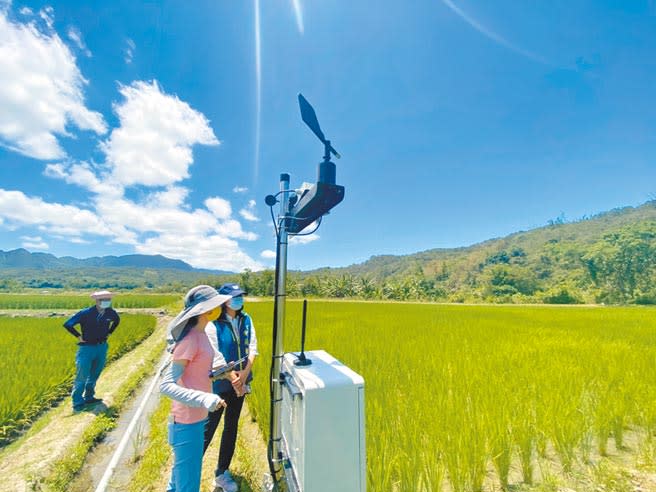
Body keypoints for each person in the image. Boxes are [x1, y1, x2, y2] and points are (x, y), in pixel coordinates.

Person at [160, 285, 232, 492]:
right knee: (188, 486)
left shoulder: (202, 335)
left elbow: (195, 373)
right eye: (217, 304)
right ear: (206, 310)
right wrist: (205, 398)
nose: (221, 307)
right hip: (186, 421)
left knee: (178, 482)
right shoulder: (191, 339)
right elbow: (166, 385)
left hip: (196, 418)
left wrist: (219, 373)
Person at [203, 283, 258, 492]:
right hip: (220, 385)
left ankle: (222, 473)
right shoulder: (213, 325)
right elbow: (216, 356)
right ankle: (187, 473)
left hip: (241, 381)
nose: (239, 300)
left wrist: (243, 375)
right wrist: (234, 378)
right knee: (208, 428)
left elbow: (252, 347)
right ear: (224, 300)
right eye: (234, 297)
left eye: (240, 296)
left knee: (231, 426)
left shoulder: (247, 320)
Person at [63, 290, 120, 411]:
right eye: (103, 300)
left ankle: (89, 397)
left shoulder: (110, 313)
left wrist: (109, 332)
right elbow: (68, 324)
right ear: (96, 301)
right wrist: (78, 336)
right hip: (86, 348)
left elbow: (117, 321)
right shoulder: (86, 313)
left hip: (102, 347)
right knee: (82, 375)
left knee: (95, 373)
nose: (106, 302)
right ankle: (77, 402)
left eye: (108, 300)